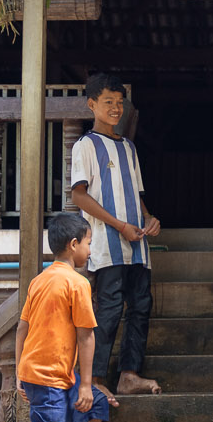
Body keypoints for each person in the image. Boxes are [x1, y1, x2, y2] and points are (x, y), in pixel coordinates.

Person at [9, 211, 115, 422]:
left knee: (99, 405)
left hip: (43, 374)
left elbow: (21, 329)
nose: (90, 251)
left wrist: (18, 373)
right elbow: (86, 336)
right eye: (88, 244)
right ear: (73, 245)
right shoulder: (76, 282)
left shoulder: (39, 280)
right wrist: (86, 383)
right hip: (48, 377)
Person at [70, 72, 163, 396]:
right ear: (92, 104)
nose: (115, 108)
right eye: (108, 102)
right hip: (108, 246)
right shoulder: (85, 145)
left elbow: (135, 196)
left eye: (119, 103)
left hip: (137, 246)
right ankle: (94, 381)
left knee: (140, 307)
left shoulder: (129, 148)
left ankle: (128, 375)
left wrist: (150, 219)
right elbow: (79, 196)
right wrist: (118, 225)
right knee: (108, 309)